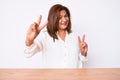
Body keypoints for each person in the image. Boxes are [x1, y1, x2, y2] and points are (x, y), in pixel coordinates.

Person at [24, 4, 88, 68]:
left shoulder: (75, 36)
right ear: (53, 19)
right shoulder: (45, 36)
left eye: (66, 16)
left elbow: (80, 63)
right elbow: (27, 53)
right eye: (60, 17)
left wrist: (83, 54)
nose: (64, 20)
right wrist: (29, 40)